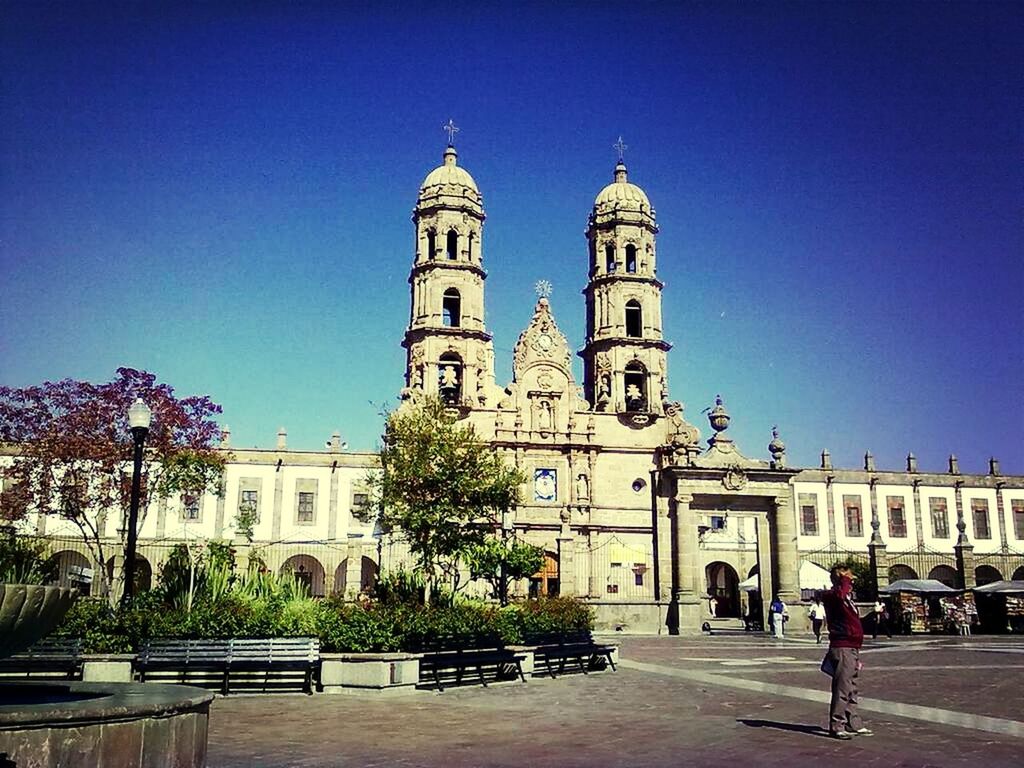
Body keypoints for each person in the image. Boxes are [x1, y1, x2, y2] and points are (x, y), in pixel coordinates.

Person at [821, 565, 871, 740]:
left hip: (852, 647)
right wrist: (844, 580)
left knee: (852, 688)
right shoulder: (833, 597)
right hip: (842, 647)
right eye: (849, 579)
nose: (852, 582)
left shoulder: (847, 599)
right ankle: (837, 725)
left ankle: (853, 722)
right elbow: (839, 594)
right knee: (842, 688)